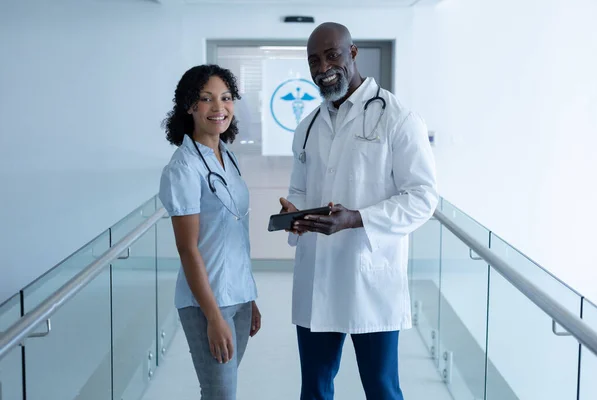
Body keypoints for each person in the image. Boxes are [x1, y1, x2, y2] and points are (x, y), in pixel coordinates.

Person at [278, 23, 438, 400]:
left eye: (332, 54)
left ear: (352, 53)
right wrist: (294, 214)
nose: (323, 67)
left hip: (371, 277)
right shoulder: (307, 126)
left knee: (382, 389)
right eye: (314, 60)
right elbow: (298, 189)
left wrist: (356, 218)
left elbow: (423, 197)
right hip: (317, 274)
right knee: (315, 388)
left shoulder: (397, 118)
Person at [158, 64, 261, 400]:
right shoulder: (183, 168)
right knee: (220, 394)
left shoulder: (227, 155)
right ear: (190, 106)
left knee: (221, 391)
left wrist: (249, 297)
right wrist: (214, 317)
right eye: (207, 99)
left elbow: (234, 231)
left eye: (226, 97)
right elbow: (188, 249)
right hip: (207, 303)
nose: (219, 108)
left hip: (239, 297)